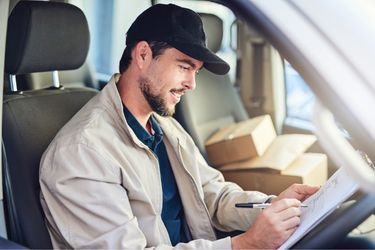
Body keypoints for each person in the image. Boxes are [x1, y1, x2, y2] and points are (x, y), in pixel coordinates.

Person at [39, 3, 319, 249]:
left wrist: (273, 207)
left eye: (195, 72)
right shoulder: (83, 153)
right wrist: (244, 245)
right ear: (143, 55)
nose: (192, 84)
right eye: (184, 67)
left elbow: (213, 195)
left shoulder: (162, 125)